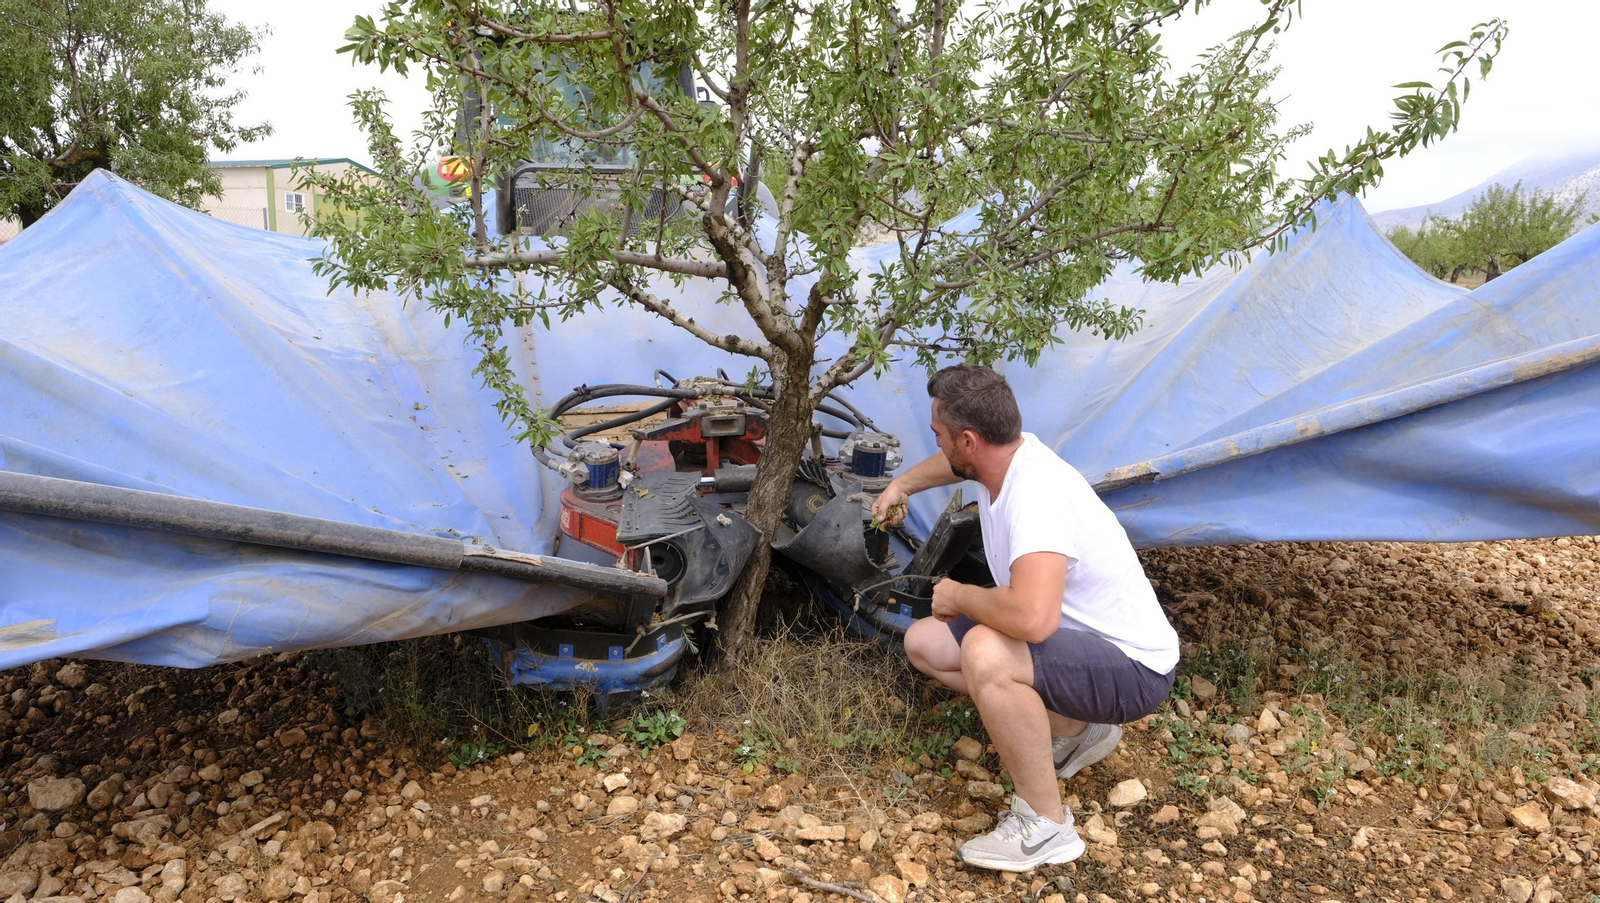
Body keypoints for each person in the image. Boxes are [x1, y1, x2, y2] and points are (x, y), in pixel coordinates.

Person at [871, 364, 1180, 872]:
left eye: (940, 436)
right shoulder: (1005, 456)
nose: (940, 445)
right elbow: (954, 466)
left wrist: (963, 595)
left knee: (985, 653)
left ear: (968, 440)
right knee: (926, 642)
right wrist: (902, 485)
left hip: (1134, 669)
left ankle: (1045, 825)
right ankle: (1079, 729)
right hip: (1081, 645)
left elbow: (1034, 621)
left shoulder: (1035, 496)